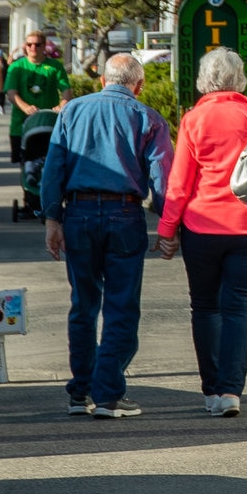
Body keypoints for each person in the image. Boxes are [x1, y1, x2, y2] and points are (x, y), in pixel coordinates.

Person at [158, 48, 247, 417]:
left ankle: (211, 392)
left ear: (205, 80)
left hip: (202, 227)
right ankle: (231, 392)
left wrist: (167, 230)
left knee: (204, 308)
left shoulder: (193, 119)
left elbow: (180, 183)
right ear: (239, 79)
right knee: (239, 311)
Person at [41, 52, 172, 418]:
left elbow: (54, 166)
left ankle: (80, 391)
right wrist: (169, 225)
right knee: (121, 306)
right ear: (139, 85)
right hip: (125, 214)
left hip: (78, 213)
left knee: (83, 304)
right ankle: (108, 392)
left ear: (102, 80)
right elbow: (162, 180)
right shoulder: (149, 118)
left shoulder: (72, 111)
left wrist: (52, 218)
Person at [5, 31, 68, 146]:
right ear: (25, 46)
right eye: (29, 44)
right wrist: (26, 108)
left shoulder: (55, 66)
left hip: (48, 124)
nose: (33, 47)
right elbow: (11, 93)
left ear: (44, 46)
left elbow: (66, 90)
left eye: (37, 44)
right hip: (21, 126)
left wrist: (62, 105)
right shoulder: (16, 67)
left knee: (50, 162)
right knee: (25, 162)